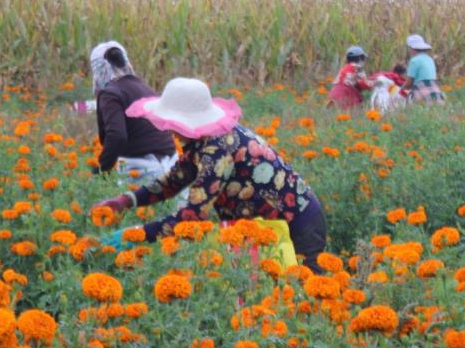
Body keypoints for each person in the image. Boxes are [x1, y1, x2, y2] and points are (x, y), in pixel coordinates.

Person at [91, 77, 328, 271]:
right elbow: (173, 181)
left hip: (296, 223)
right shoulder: (202, 141)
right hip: (264, 226)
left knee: (300, 295)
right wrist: (125, 201)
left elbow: (192, 216)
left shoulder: (218, 149)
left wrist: (137, 235)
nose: (168, 128)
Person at [90, 40, 178, 186]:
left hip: (143, 169)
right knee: (171, 209)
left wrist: (101, 169)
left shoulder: (110, 93)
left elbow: (117, 136)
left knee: (129, 207)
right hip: (172, 165)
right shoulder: (142, 86)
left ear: (98, 69)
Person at [401, 34, 445, 104]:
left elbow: (409, 82)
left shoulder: (414, 61)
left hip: (421, 91)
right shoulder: (430, 59)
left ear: (412, 49)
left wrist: (401, 88)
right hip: (435, 90)